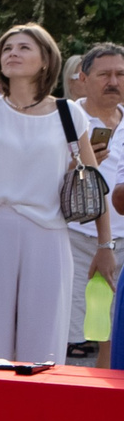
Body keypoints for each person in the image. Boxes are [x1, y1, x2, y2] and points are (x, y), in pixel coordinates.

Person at [0, 22, 104, 366]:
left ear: (46, 60)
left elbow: (93, 184)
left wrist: (104, 246)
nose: (13, 53)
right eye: (6, 48)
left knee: (44, 339)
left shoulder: (69, 112)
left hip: (48, 231)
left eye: (23, 47)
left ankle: (36, 413)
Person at [72, 43, 124, 358]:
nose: (113, 82)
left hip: (123, 239)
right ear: (83, 78)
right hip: (77, 239)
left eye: (120, 74)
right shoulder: (65, 118)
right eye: (104, 74)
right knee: (82, 337)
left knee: (114, 334)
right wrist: (79, 163)